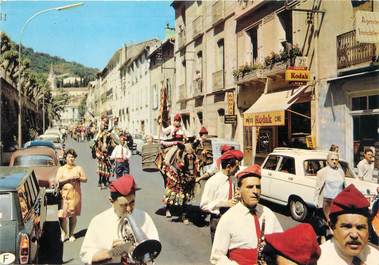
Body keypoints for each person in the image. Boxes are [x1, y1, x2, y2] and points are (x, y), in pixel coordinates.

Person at [210, 164, 282, 264]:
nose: (255, 191)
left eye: (258, 187)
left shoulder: (268, 213)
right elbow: (217, 257)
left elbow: (282, 245)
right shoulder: (228, 218)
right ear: (238, 191)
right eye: (249, 187)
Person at [80, 175, 159, 265]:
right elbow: (86, 256)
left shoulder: (144, 216)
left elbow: (153, 248)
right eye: (123, 205)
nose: (129, 209)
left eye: (132, 202)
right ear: (111, 201)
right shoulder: (98, 221)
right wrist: (112, 253)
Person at [318, 184, 379, 264]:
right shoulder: (318, 260)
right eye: (347, 227)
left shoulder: (374, 257)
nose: (354, 235)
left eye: (360, 227)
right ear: (332, 227)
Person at [200, 149, 243, 242]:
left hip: (233, 220)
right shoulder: (213, 182)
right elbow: (204, 205)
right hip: (219, 220)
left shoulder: (232, 180)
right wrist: (224, 203)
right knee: (220, 252)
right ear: (228, 167)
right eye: (237, 166)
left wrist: (238, 196)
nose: (238, 169)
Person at [55, 148, 87, 242]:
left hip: (75, 195)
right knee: (62, 215)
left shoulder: (78, 168)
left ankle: (71, 233)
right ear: (66, 158)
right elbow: (57, 181)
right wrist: (68, 179)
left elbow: (85, 179)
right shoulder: (61, 169)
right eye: (69, 157)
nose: (71, 159)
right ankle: (64, 232)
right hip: (64, 195)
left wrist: (79, 177)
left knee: (72, 215)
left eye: (73, 157)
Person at [314, 151, 345, 222]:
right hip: (327, 201)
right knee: (329, 221)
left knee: (337, 222)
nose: (334, 161)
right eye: (332, 159)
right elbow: (318, 188)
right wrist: (316, 200)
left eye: (336, 160)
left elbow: (344, 186)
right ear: (327, 161)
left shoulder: (341, 171)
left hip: (338, 201)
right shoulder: (322, 172)